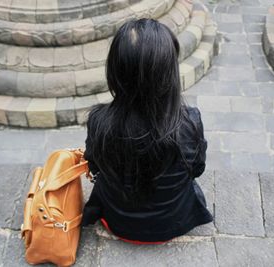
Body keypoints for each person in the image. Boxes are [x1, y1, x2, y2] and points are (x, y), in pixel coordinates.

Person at [81, 18, 212, 244]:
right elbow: (197, 169)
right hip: (175, 222)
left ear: (115, 72)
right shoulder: (189, 123)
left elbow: (94, 167)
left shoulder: (99, 122)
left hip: (118, 222)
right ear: (169, 75)